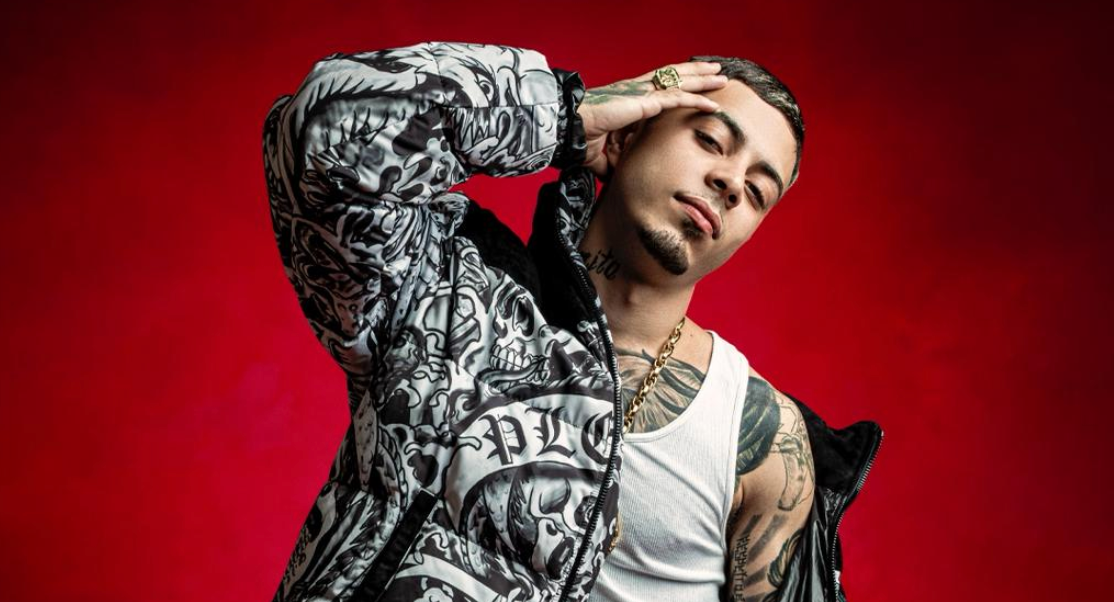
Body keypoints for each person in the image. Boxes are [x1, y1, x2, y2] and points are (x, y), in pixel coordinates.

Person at [261, 41, 882, 602]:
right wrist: (563, 113)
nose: (729, 182)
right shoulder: (445, 287)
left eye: (757, 191)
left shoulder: (763, 440)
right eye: (710, 140)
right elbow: (323, 134)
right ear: (628, 134)